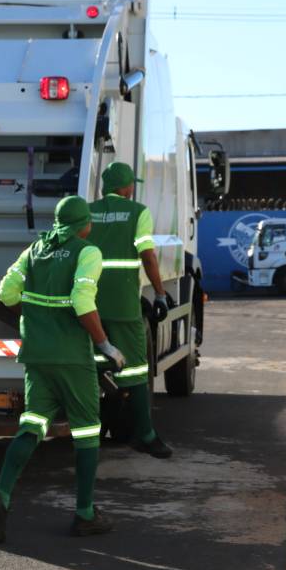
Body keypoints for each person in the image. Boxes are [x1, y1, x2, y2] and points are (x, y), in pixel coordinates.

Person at [0, 195, 126, 543]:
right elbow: (81, 301)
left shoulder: (34, 250)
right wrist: (106, 345)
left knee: (32, 425)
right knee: (87, 432)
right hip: (72, 359)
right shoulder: (87, 252)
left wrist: (38, 318)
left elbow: (5, 293)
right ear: (83, 225)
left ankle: (1, 494)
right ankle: (85, 513)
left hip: (36, 355)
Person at [85, 162, 173, 458]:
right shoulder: (138, 212)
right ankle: (145, 435)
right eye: (130, 185)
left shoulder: (87, 211)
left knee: (91, 366)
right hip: (122, 304)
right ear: (126, 188)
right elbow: (147, 255)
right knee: (135, 369)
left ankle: (88, 431)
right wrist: (160, 293)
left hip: (88, 304)